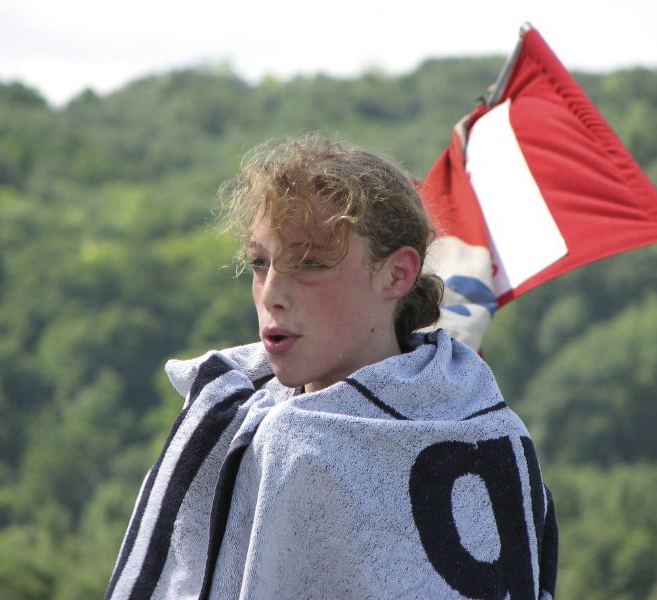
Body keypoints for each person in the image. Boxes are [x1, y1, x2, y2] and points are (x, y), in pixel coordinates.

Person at [105, 134, 557, 600]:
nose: (272, 292)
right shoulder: (495, 423)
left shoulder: (291, 443)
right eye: (260, 262)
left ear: (397, 274)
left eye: (309, 262)